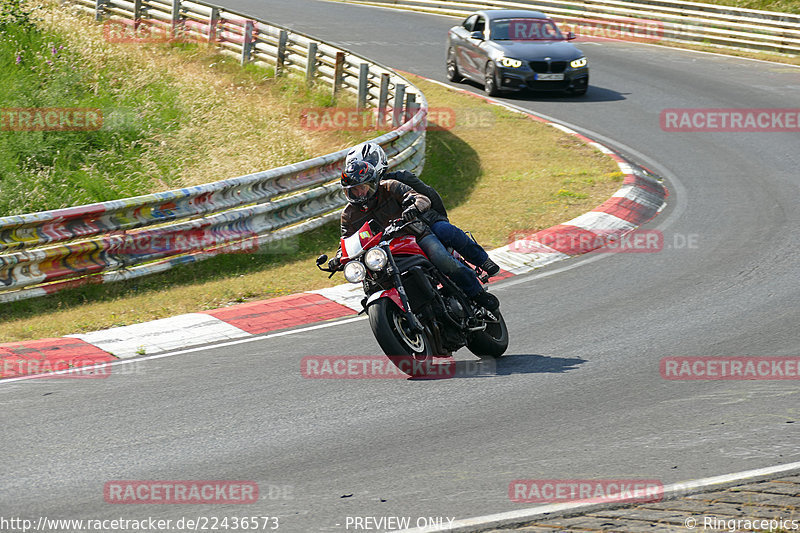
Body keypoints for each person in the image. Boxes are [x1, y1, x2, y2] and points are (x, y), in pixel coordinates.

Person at [334, 159, 499, 311]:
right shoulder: (349, 214)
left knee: (443, 259)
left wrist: (414, 207)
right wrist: (338, 257)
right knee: (371, 284)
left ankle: (477, 293)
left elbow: (421, 198)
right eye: (353, 191)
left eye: (362, 187)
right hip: (382, 253)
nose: (360, 193)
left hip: (415, 236)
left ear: (374, 183)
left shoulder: (391, 186)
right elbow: (346, 240)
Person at [345, 142, 500, 277]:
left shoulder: (401, 178)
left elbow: (430, 195)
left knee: (445, 230)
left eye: (368, 164)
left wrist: (438, 217)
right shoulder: (358, 203)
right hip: (392, 239)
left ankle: (483, 260)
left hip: (424, 221)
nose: (364, 170)